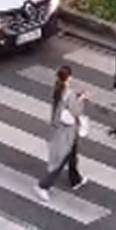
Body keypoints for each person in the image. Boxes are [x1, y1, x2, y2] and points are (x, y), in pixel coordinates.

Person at [36, 65, 89, 201]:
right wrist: (82, 99)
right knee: (60, 160)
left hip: (60, 128)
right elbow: (76, 111)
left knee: (72, 155)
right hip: (66, 131)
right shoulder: (68, 93)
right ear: (69, 77)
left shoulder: (57, 90)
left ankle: (75, 179)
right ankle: (43, 186)